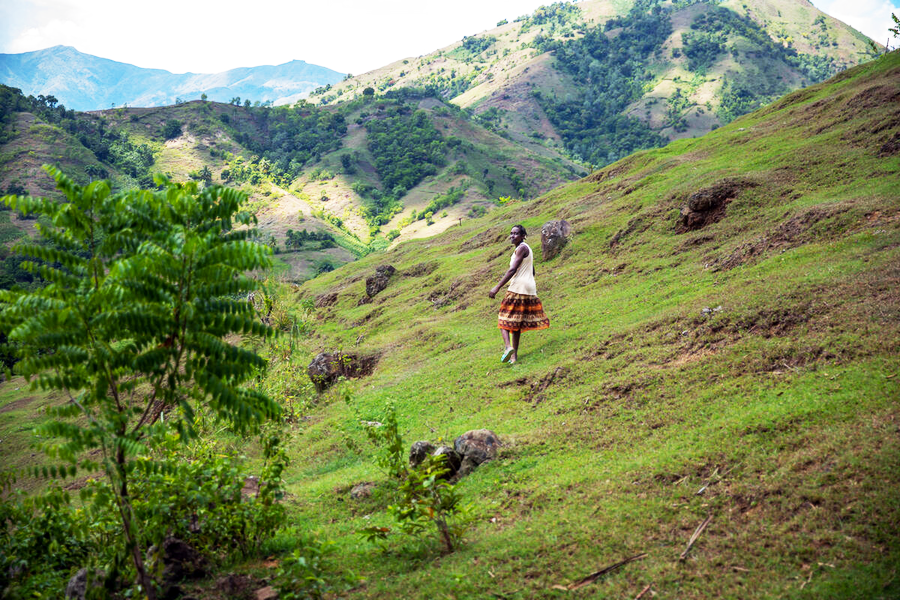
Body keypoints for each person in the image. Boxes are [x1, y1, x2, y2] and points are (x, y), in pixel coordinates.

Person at [488, 224, 549, 364]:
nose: (512, 236)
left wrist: (497, 287)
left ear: (523, 236)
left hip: (517, 288)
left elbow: (512, 269)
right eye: (511, 233)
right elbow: (532, 270)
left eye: (516, 233)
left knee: (503, 318)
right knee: (516, 324)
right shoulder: (527, 249)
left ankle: (508, 347)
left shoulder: (521, 248)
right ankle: (514, 357)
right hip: (529, 289)